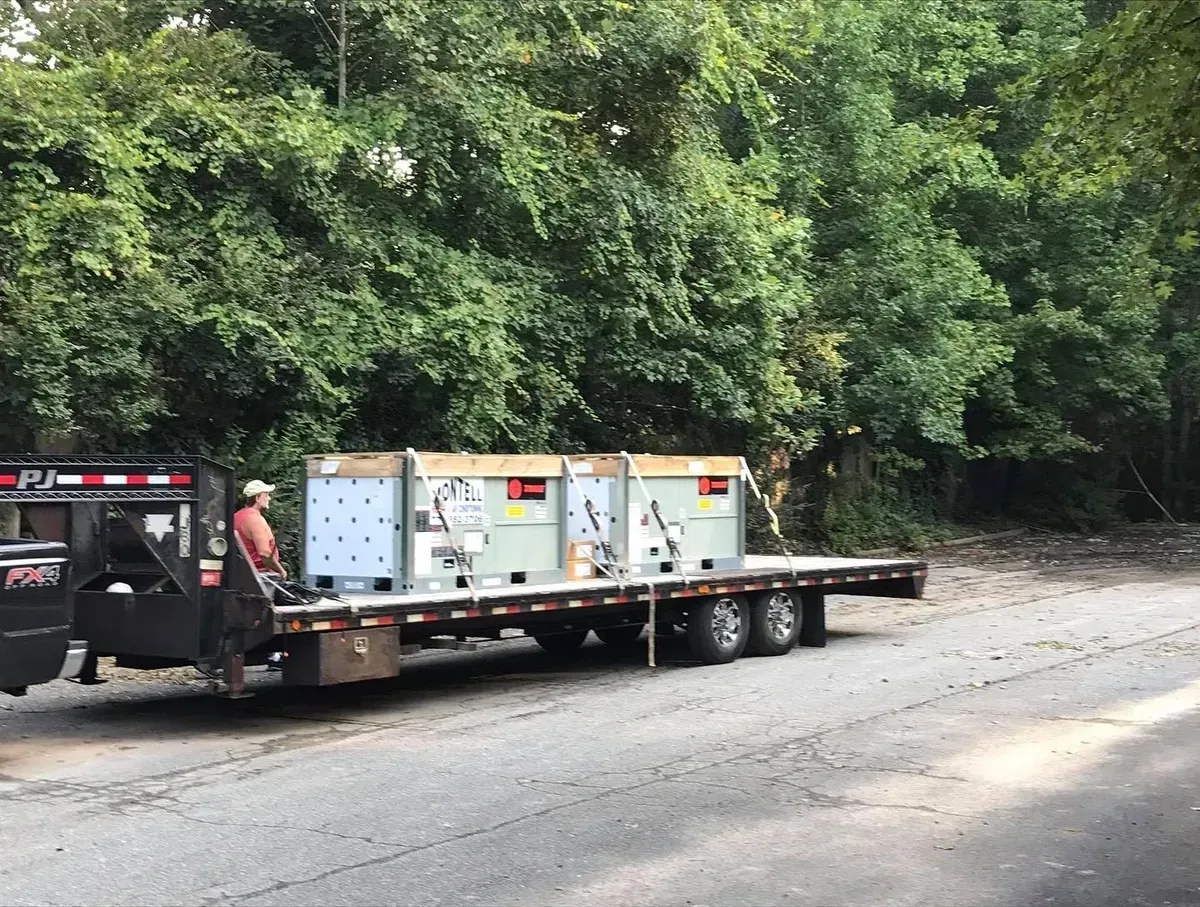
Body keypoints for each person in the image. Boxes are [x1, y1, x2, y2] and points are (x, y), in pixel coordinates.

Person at [234, 479, 286, 580]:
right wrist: (281, 571)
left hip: (242, 574)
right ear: (257, 498)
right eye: (266, 495)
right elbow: (265, 554)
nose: (269, 498)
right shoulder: (255, 519)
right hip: (261, 578)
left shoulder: (236, 516)